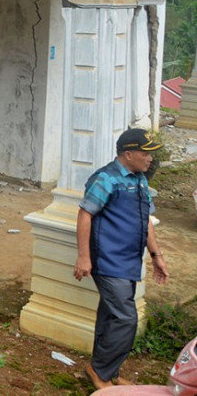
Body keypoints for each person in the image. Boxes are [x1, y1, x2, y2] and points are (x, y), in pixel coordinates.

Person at [74, 128, 170, 390]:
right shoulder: (106, 178)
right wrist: (84, 257)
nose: (151, 159)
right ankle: (98, 371)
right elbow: (85, 215)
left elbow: (146, 221)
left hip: (128, 261)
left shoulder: (139, 179)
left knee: (110, 317)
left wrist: (156, 256)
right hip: (107, 260)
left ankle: (110, 371)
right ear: (128, 154)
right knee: (126, 319)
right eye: (146, 153)